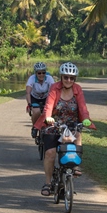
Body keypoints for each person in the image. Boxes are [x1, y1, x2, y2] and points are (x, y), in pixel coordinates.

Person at [33, 62, 96, 196]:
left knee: (77, 135)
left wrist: (85, 118)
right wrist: (48, 117)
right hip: (54, 125)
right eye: (66, 77)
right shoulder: (54, 88)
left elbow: (83, 107)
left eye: (71, 78)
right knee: (50, 153)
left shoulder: (78, 89)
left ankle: (74, 166)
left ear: (75, 79)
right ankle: (48, 183)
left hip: (71, 125)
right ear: (61, 77)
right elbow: (48, 105)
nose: (68, 80)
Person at [26, 62, 55, 137]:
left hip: (46, 97)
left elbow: (54, 91)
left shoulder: (49, 78)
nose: (41, 75)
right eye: (39, 73)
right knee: (36, 111)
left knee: (49, 111)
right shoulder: (32, 79)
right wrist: (29, 105)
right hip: (34, 97)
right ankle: (35, 128)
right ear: (36, 73)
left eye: (43, 72)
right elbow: (28, 93)